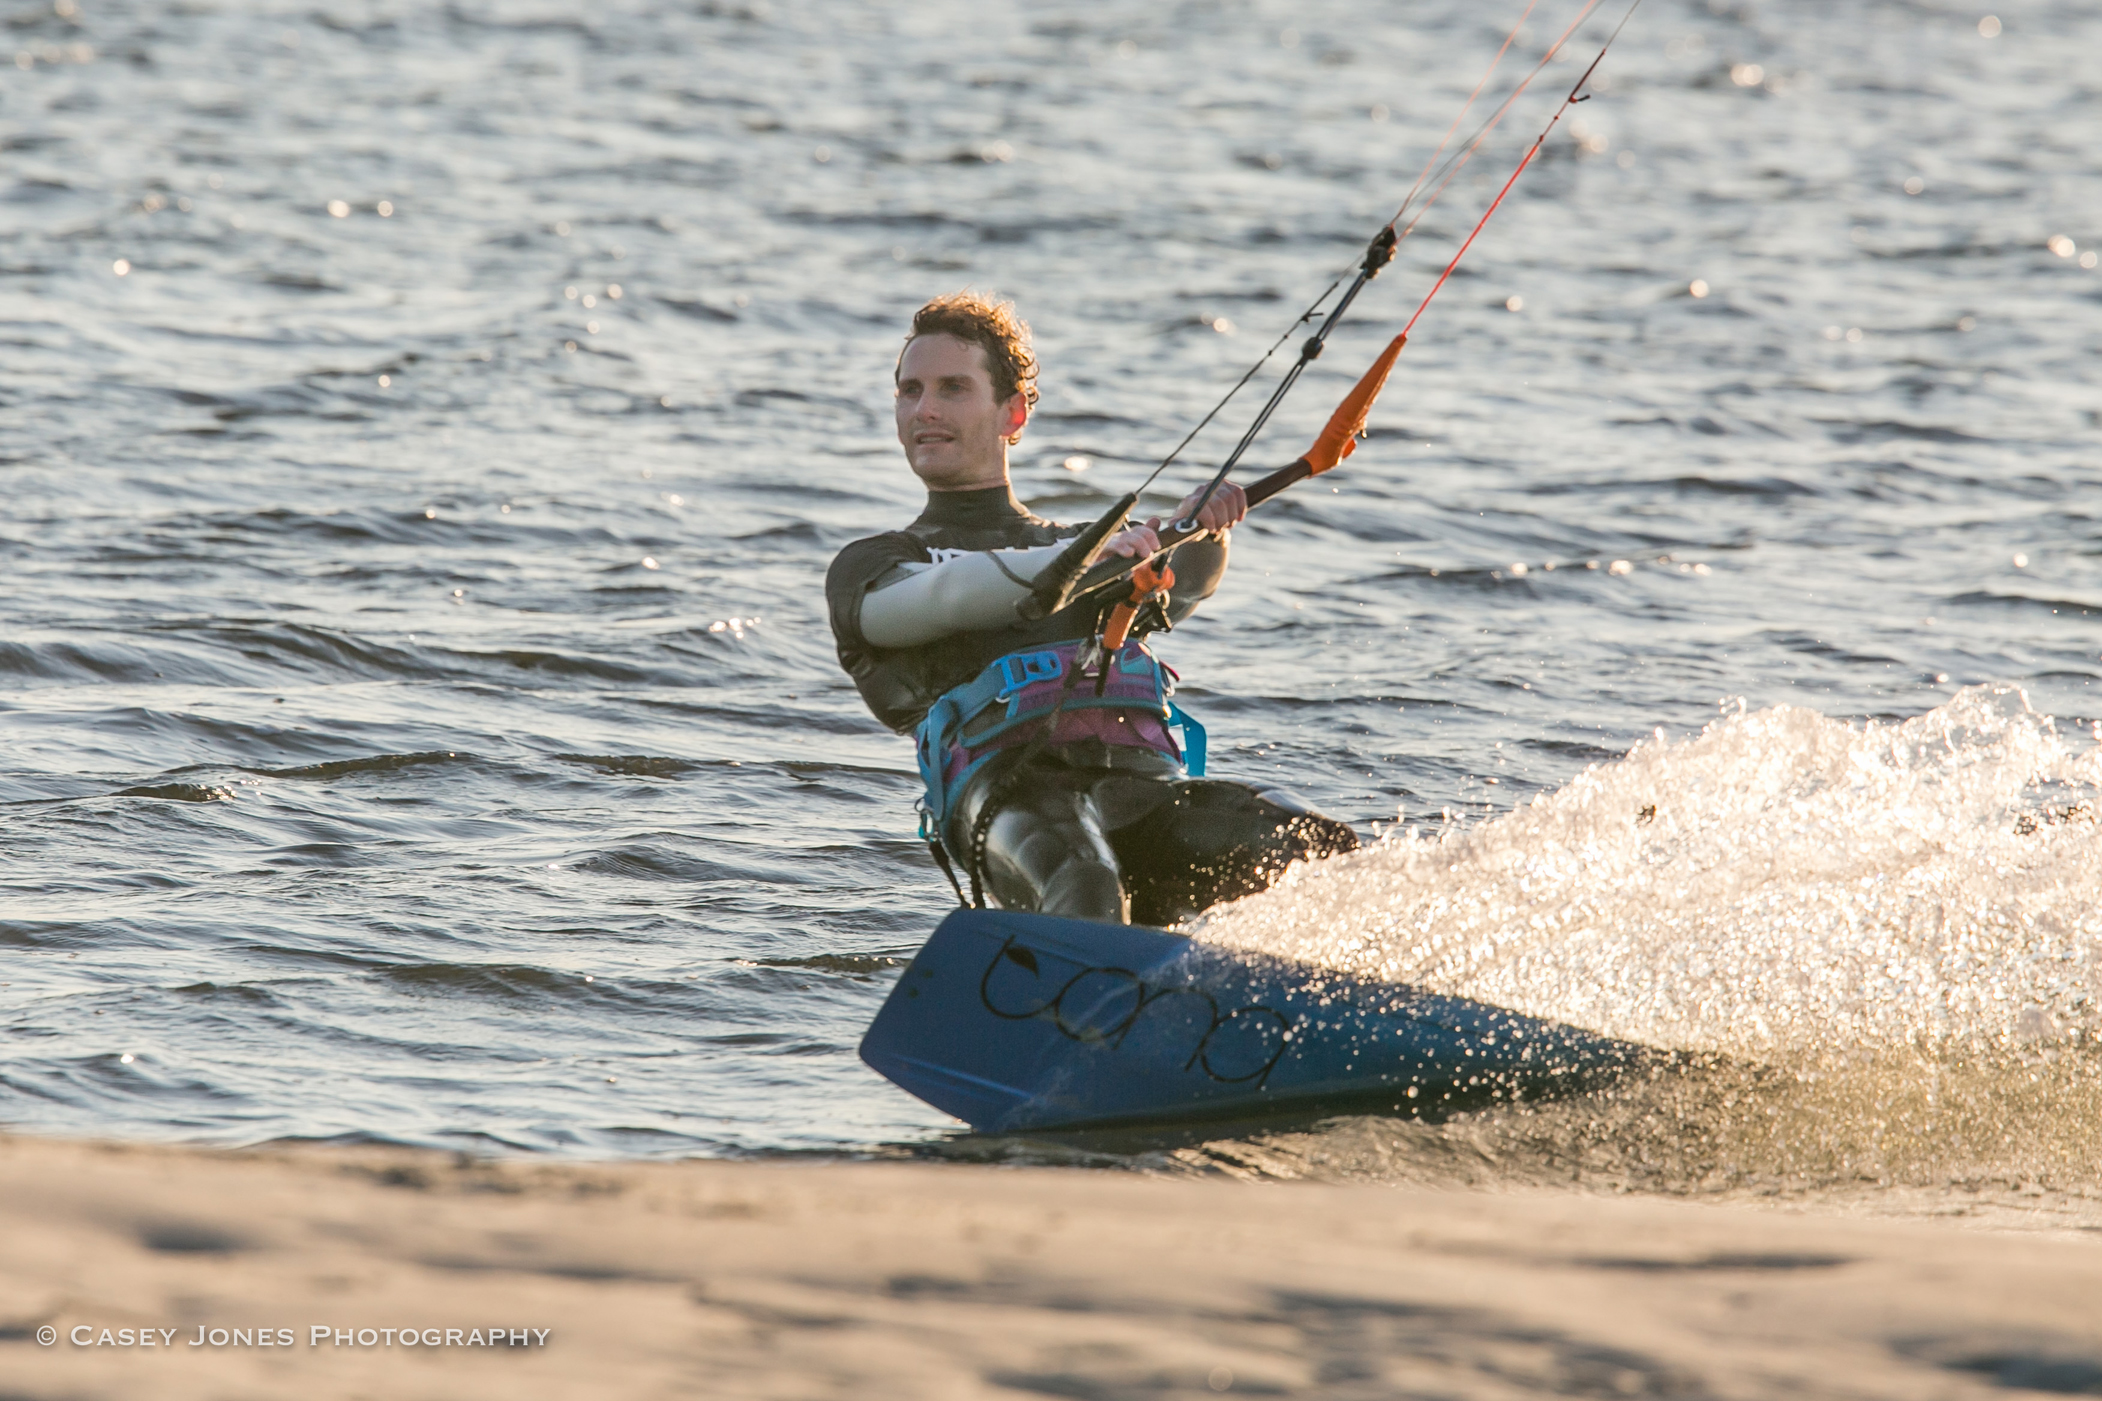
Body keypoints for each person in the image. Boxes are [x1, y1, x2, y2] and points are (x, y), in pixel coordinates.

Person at [826, 292, 1357, 926]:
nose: (926, 410)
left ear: (1013, 414)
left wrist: (1209, 526)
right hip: (1006, 804)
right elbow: (949, 596)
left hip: (1148, 794)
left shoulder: (1101, 546)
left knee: (1321, 848)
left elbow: (1188, 579)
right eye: (909, 391)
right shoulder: (877, 566)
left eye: (952, 389)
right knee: (1088, 882)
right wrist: (1093, 559)